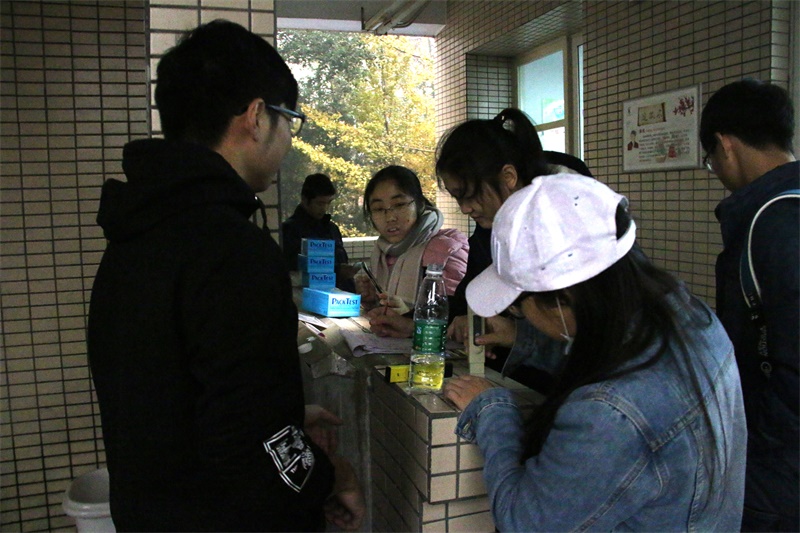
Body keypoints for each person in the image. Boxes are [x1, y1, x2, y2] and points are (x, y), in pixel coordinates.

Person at [87, 20, 364, 532]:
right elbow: (249, 447)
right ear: (257, 116)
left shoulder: (134, 232)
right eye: (289, 120)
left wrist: (283, 414)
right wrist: (332, 475)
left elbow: (170, 396)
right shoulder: (231, 248)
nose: (286, 140)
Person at [443, 174, 747, 531]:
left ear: (563, 301)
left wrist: (492, 409)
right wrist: (521, 339)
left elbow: (526, 521)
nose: (518, 314)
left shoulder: (608, 410)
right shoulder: (686, 313)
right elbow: (608, 359)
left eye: (517, 306)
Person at [700, 78, 799, 531]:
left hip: (780, 468)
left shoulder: (773, 224)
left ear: (725, 145)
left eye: (710, 160)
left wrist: (754, 447)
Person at [435, 107, 592, 389]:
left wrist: (521, 339)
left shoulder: (572, 233)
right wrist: (515, 336)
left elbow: (593, 350)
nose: (465, 208)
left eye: (468, 195)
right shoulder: (495, 226)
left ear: (508, 176)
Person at [355, 165, 468, 338]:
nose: (390, 217)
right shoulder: (381, 253)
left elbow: (459, 321)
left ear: (420, 204)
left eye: (399, 205)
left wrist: (410, 314)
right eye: (378, 209)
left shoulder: (446, 251)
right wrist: (373, 302)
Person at [281, 173, 355, 290]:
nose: (324, 208)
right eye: (320, 203)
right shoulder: (290, 230)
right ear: (305, 200)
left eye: (328, 203)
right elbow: (292, 271)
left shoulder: (332, 229)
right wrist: (336, 271)